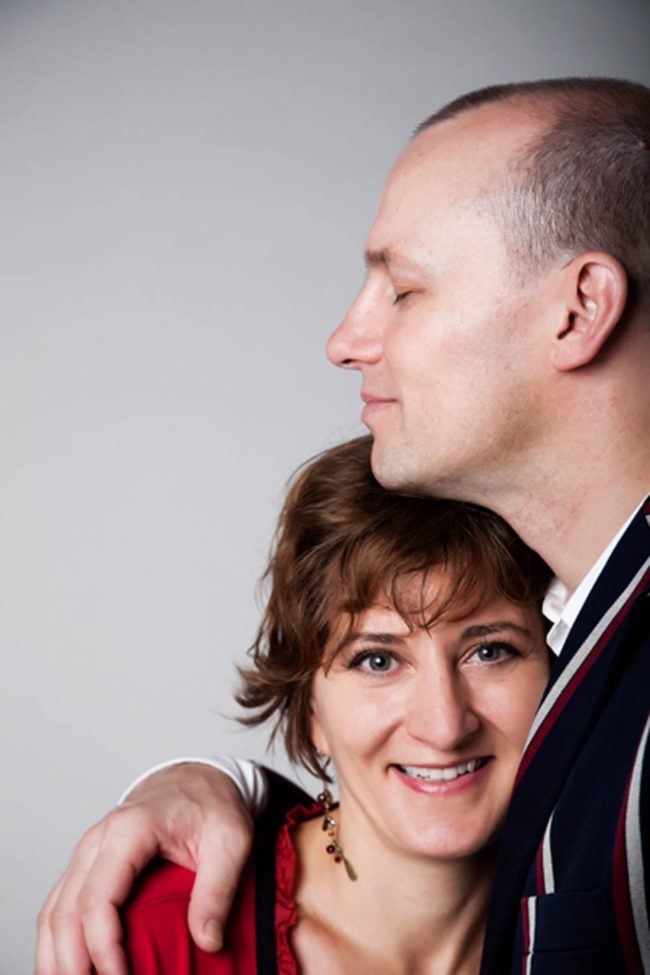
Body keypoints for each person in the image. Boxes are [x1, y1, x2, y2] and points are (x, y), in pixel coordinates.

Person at [36, 77, 649, 975]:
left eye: (403, 289)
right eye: (375, 659)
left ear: (579, 306)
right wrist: (226, 788)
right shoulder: (594, 638)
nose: (345, 338)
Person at [111, 435, 552, 974]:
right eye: (378, 661)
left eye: (489, 651)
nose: (444, 725)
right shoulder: (157, 937)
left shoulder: (605, 925)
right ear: (311, 707)